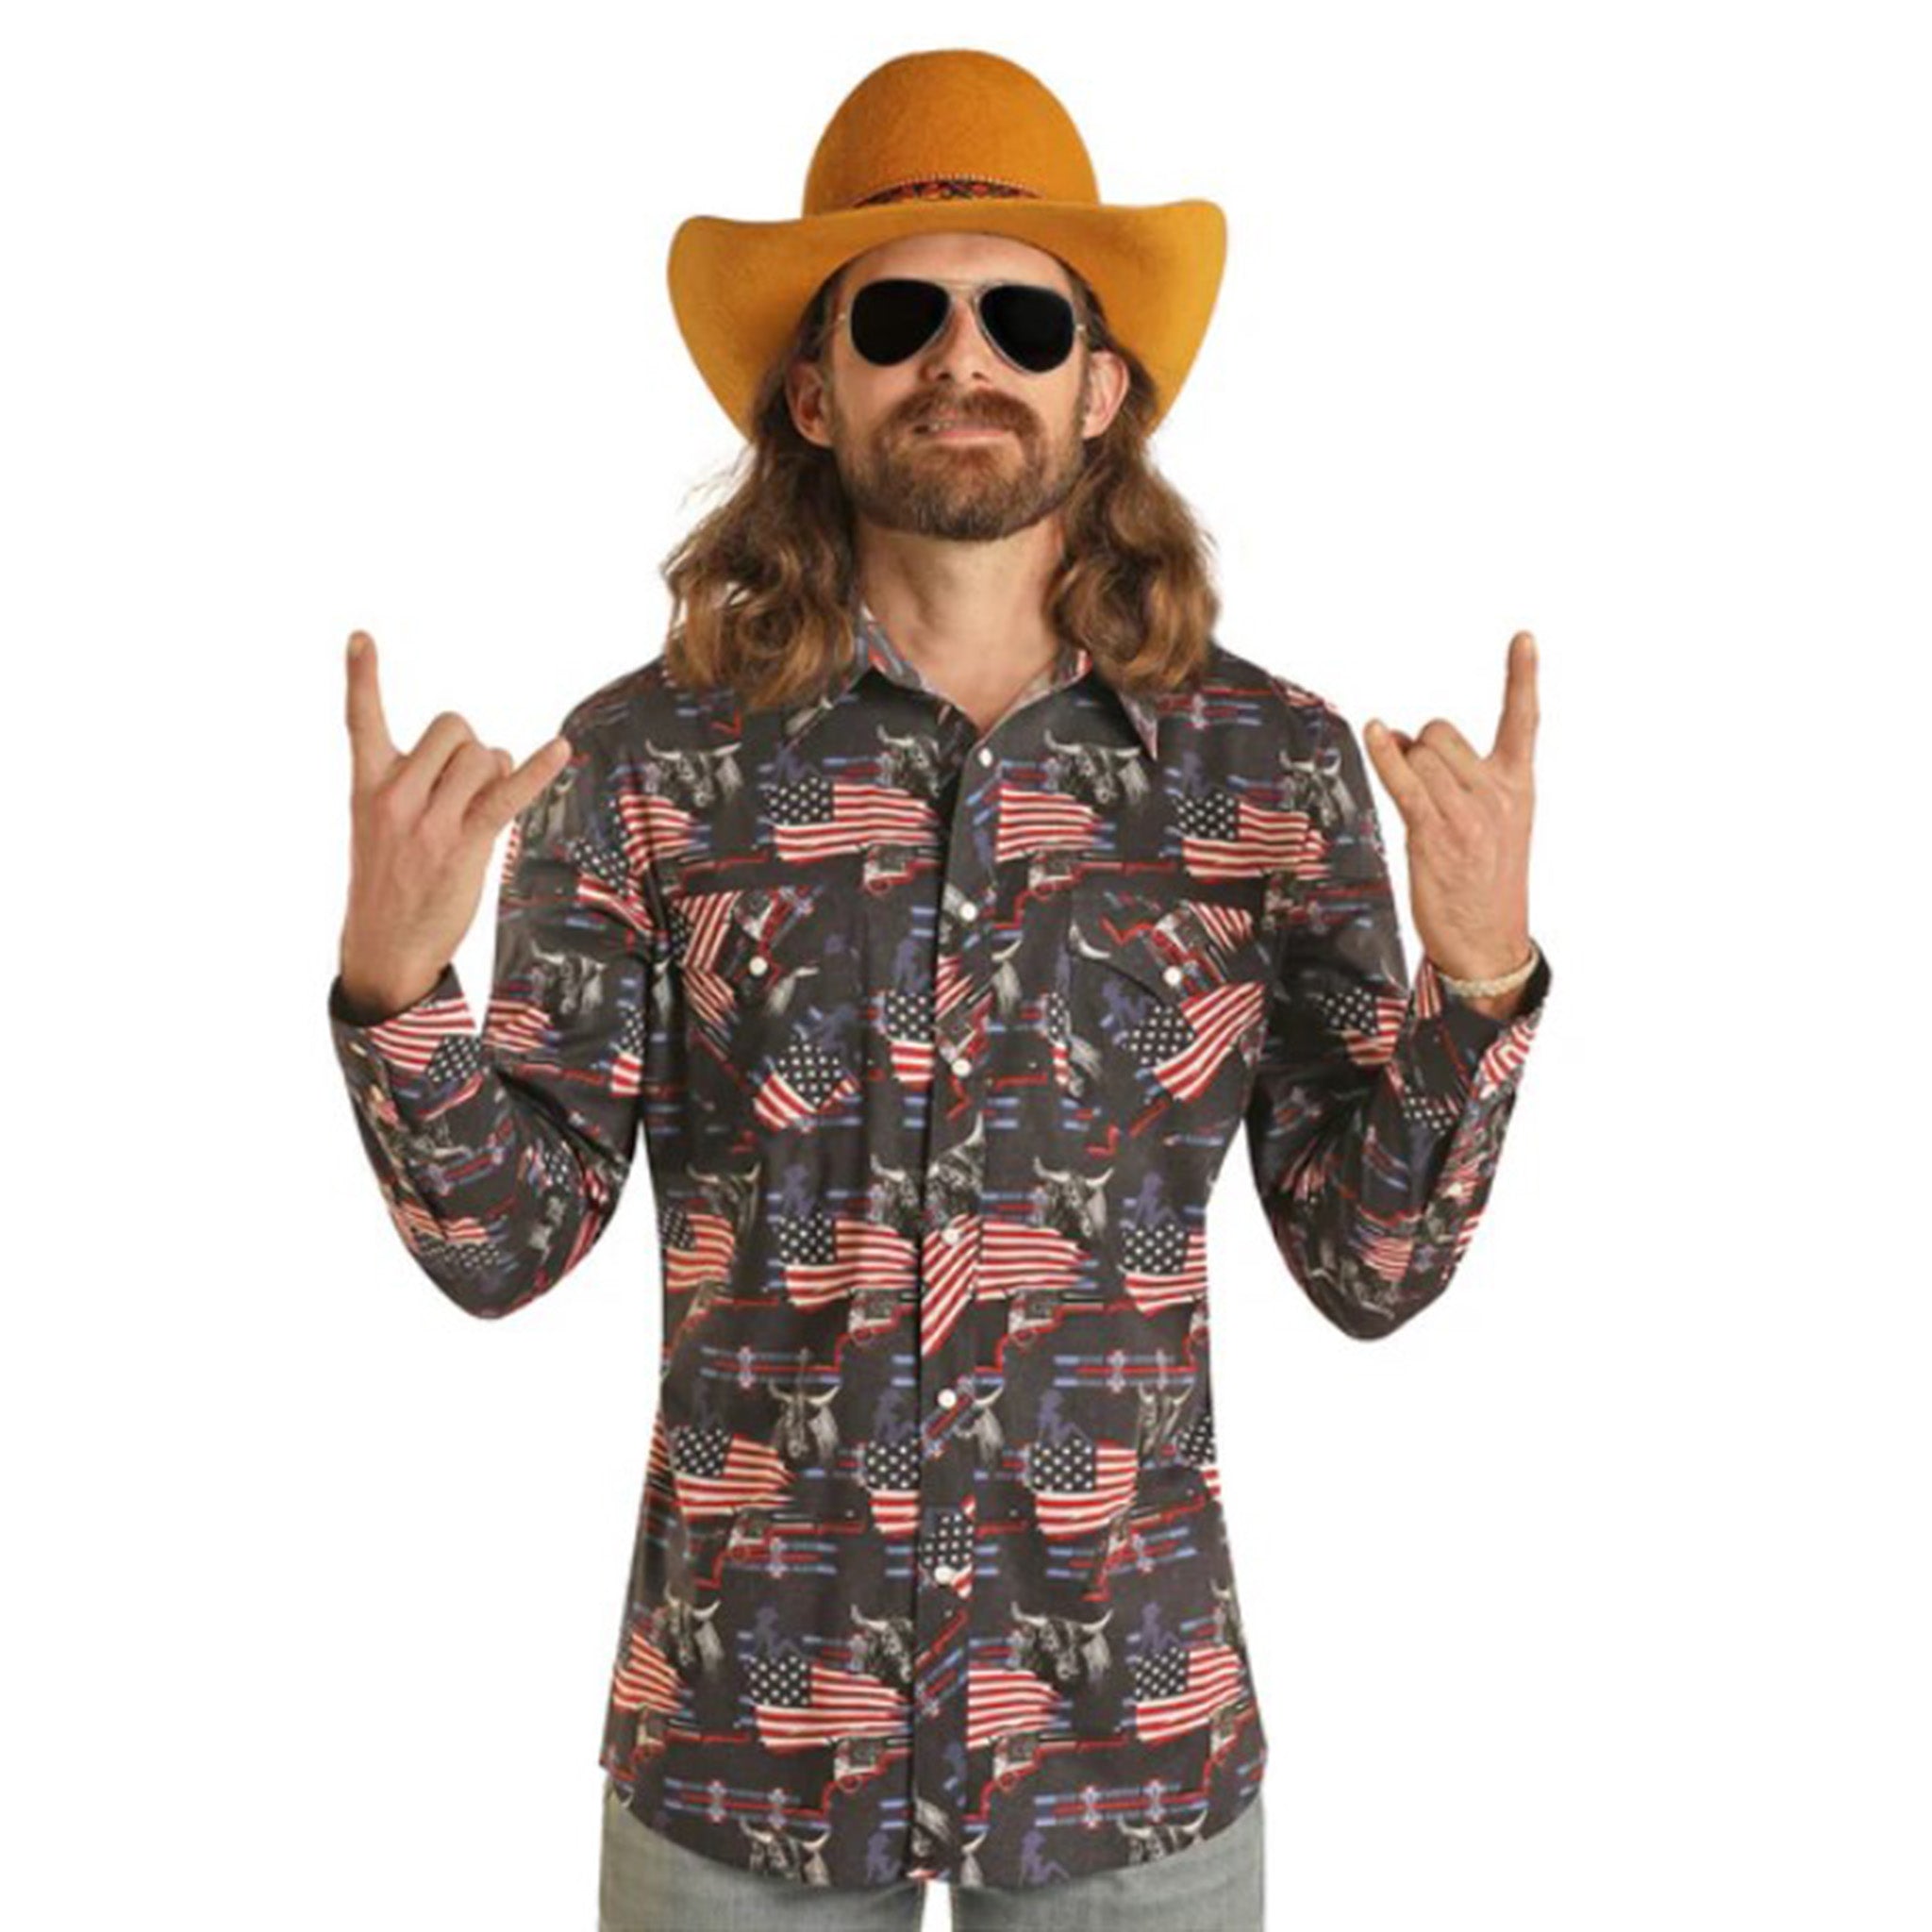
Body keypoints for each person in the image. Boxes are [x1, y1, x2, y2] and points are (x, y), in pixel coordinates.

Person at [327, 46, 1551, 1932]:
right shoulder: (644, 770)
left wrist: (1478, 982)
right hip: (740, 1762)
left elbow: (1369, 1268)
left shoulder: (1270, 774)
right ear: (814, 390)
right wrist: (396, 980)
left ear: (1099, 388)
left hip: (1127, 1759)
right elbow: (505, 1248)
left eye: (1021, 319)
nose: (961, 359)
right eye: (899, 316)